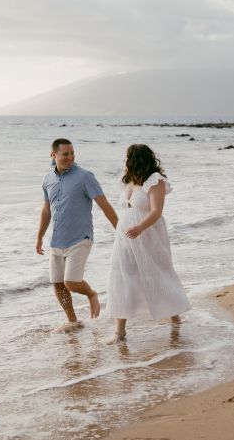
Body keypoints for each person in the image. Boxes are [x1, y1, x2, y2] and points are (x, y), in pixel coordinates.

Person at [106, 144, 191, 343]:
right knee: (123, 275)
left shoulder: (155, 180)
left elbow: (156, 211)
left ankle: (175, 316)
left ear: (135, 159)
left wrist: (139, 228)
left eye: (127, 157)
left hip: (148, 233)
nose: (124, 160)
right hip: (125, 237)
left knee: (157, 272)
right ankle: (119, 332)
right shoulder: (128, 181)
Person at [37, 138, 119, 332]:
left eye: (72, 153)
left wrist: (119, 229)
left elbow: (104, 204)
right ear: (53, 155)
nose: (70, 157)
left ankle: (91, 294)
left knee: (71, 282)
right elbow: (46, 211)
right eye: (65, 154)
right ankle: (73, 321)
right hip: (57, 240)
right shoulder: (47, 179)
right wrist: (39, 236)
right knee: (58, 284)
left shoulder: (85, 177)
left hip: (80, 238)